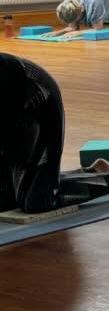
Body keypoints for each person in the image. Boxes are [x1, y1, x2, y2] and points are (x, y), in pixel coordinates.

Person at [0, 53, 64, 213]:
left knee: (39, 202)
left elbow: (6, 128)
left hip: (42, 107)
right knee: (6, 202)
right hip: (13, 116)